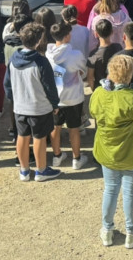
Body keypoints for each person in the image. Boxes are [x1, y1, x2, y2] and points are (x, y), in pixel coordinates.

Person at [91, 54, 133, 248]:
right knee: (130, 192)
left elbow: (93, 112)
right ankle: (132, 232)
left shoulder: (99, 93)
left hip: (107, 151)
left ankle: (106, 230)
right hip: (132, 153)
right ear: (129, 75)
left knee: (110, 189)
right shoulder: (132, 98)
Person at [4, 22, 62, 183]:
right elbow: (50, 86)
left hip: (20, 106)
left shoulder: (13, 59)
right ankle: (41, 170)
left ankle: (24, 170)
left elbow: (7, 84)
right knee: (39, 137)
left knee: (22, 136)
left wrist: (13, 100)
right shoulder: (41, 62)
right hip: (39, 107)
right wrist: (55, 104)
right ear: (39, 40)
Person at [46, 21, 89, 170]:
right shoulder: (75, 55)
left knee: (55, 127)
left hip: (55, 98)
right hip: (73, 97)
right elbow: (83, 71)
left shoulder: (47, 55)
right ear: (66, 36)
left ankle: (57, 156)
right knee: (74, 128)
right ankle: (76, 159)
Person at [86, 19, 124, 91]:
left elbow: (90, 78)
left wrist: (94, 91)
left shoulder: (94, 54)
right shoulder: (118, 47)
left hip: (101, 89)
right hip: (117, 88)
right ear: (112, 32)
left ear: (96, 34)